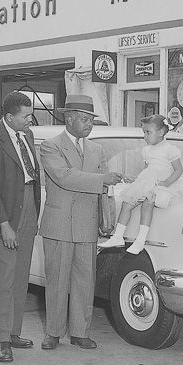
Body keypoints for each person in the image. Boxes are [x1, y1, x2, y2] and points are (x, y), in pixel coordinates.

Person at [39, 94, 123, 350]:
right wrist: (102, 179)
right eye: (85, 119)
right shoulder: (50, 146)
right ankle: (53, 332)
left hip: (87, 224)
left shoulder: (98, 150)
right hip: (59, 224)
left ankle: (80, 332)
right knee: (57, 281)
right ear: (70, 118)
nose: (89, 124)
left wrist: (108, 218)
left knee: (85, 282)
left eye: (91, 120)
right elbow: (64, 177)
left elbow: (103, 189)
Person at [0, 91, 41, 363]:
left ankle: (14, 332)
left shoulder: (27, 135)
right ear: (9, 116)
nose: (30, 120)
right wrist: (3, 223)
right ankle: (1, 340)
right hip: (6, 212)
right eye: (25, 116)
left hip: (29, 206)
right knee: (4, 280)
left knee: (21, 277)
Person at [100, 114, 183, 254]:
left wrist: (165, 184)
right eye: (144, 132)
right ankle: (118, 236)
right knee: (127, 203)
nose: (145, 136)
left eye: (148, 132)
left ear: (161, 132)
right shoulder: (146, 151)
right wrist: (136, 182)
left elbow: (178, 170)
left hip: (162, 185)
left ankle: (140, 240)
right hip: (148, 182)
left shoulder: (170, 149)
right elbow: (147, 171)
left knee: (147, 204)